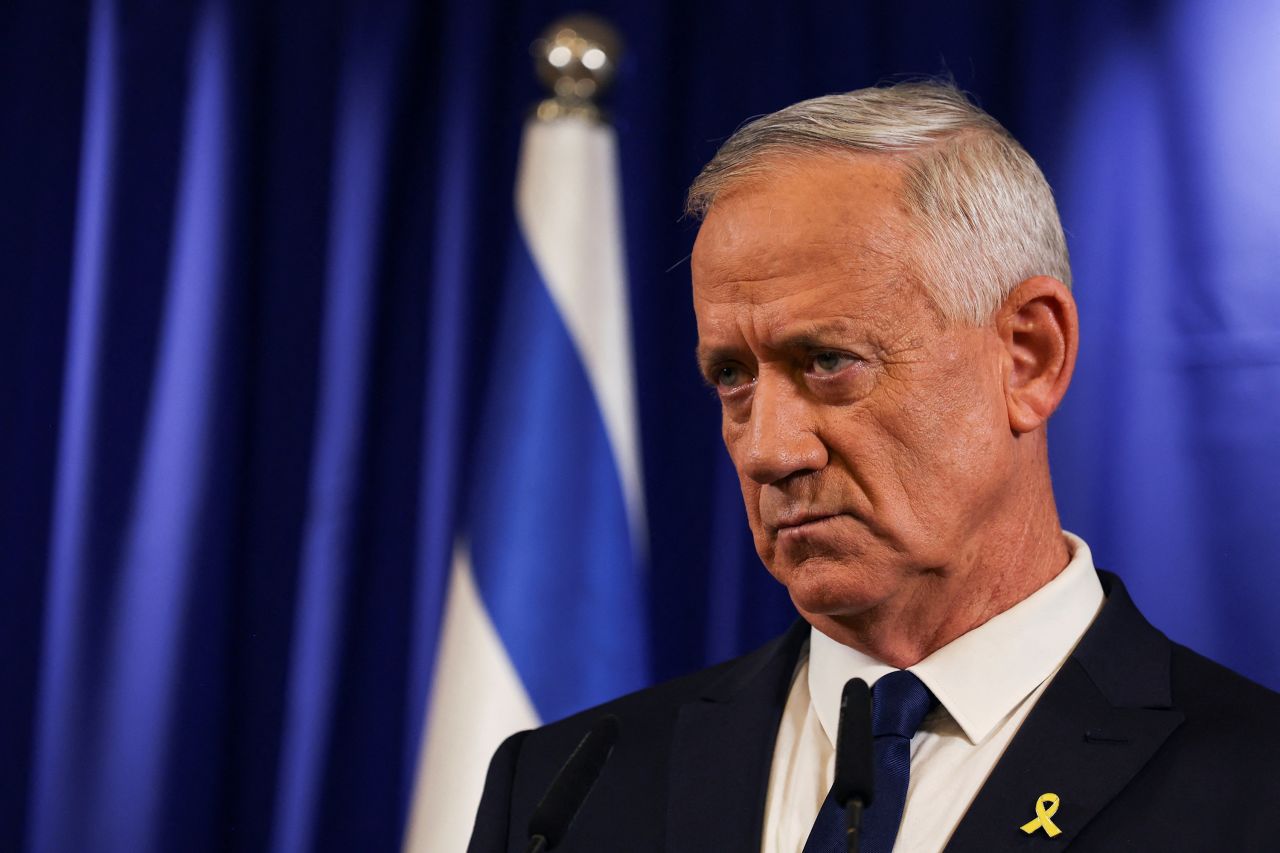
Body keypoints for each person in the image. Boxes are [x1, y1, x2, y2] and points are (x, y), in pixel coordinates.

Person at [467, 81, 1280, 852]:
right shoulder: (564, 792)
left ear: (1029, 357)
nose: (768, 449)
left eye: (828, 360)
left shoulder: (1254, 789)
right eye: (733, 377)